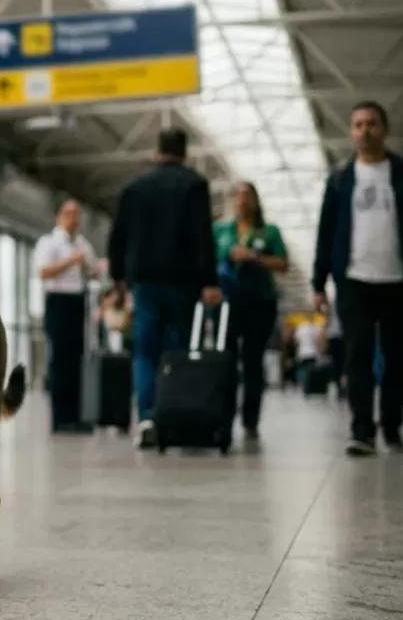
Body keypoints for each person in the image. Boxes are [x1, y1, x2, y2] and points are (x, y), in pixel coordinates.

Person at [108, 127, 221, 450]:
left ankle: (146, 417)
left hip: (144, 281)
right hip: (183, 281)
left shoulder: (135, 188)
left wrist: (118, 277)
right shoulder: (194, 185)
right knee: (181, 350)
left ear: (157, 151)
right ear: (184, 152)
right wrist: (209, 280)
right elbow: (202, 236)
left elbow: (119, 235)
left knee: (144, 351)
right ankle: (178, 415)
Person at [311, 100, 403, 456]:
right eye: (359, 124)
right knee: (357, 355)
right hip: (353, 280)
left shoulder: (400, 173)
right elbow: (326, 232)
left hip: (397, 279)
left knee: (397, 357)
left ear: (385, 129)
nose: (365, 130)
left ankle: (392, 424)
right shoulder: (339, 180)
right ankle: (361, 429)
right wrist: (319, 283)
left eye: (372, 123)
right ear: (351, 132)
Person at [212, 180, 289, 442]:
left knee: (253, 360)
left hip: (260, 302)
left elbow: (282, 263)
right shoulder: (219, 230)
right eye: (237, 195)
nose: (242, 200)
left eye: (247, 195)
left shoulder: (269, 232)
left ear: (255, 201)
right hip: (227, 302)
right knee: (226, 359)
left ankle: (251, 418)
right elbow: (207, 262)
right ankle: (224, 416)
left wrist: (254, 258)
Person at [33, 200, 98, 433]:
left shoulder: (81, 243)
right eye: (69, 214)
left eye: (77, 215)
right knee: (59, 360)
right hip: (58, 301)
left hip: (77, 301)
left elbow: (92, 272)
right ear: (59, 217)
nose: (74, 220)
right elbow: (43, 272)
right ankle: (60, 418)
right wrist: (70, 261)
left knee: (76, 359)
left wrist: (92, 267)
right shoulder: (49, 242)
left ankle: (75, 415)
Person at [293, 317, 323, 383]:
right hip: (313, 352)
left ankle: (303, 383)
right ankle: (311, 383)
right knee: (312, 369)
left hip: (303, 352)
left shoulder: (300, 327)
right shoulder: (315, 327)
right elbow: (319, 340)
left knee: (303, 369)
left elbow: (296, 341)